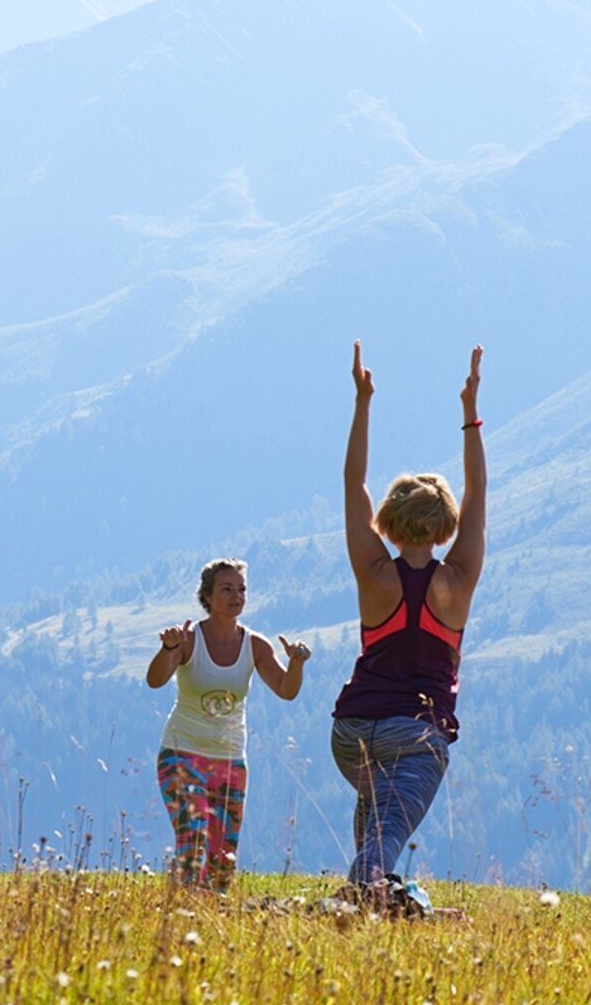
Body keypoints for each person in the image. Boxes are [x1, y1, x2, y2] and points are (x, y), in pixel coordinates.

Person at [330, 342, 485, 918]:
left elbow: (352, 484)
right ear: (445, 525)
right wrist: (470, 413)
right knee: (388, 833)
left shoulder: (373, 573)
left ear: (389, 522)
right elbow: (479, 496)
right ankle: (354, 901)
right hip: (415, 736)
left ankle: (380, 905)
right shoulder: (460, 578)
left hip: (350, 733)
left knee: (379, 813)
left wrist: (363, 401)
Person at [144, 558, 311, 891]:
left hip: (231, 761)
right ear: (207, 596)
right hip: (181, 755)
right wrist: (169, 648)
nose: (236, 596)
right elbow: (155, 679)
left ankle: (210, 916)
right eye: (226, 589)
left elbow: (286, 690)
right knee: (193, 835)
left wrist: (296, 663)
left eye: (241, 589)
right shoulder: (189, 640)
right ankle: (181, 909)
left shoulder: (255, 645)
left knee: (223, 856)